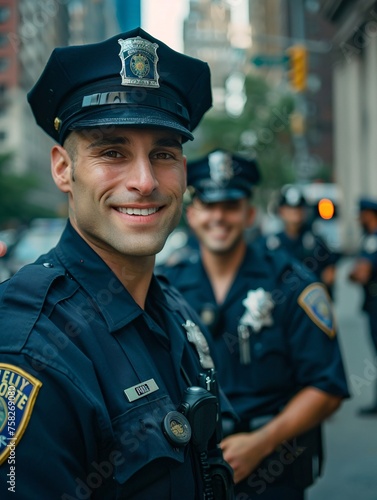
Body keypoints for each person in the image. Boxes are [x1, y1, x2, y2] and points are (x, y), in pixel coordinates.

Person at [0, 28, 234, 499]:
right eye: (112, 152)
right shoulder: (28, 349)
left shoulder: (173, 311)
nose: (145, 182)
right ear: (63, 168)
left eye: (164, 153)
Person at [157, 149, 349, 499]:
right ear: (192, 212)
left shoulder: (292, 284)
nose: (219, 217)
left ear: (249, 213)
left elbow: (328, 386)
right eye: (208, 205)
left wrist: (262, 443)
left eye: (230, 206)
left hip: (273, 474)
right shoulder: (165, 287)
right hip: (192, 476)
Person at [265, 185, 339, 297]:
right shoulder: (271, 244)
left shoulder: (317, 242)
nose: (295, 213)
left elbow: (330, 271)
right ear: (281, 211)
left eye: (299, 208)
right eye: (290, 208)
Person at [349, 197, 377, 415]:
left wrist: (354, 273)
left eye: (361, 213)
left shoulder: (372, 239)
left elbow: (361, 273)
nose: (358, 217)